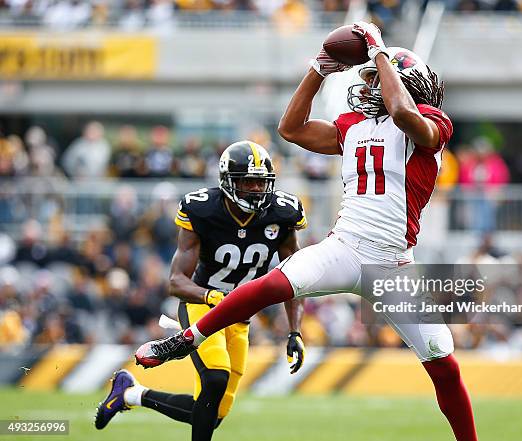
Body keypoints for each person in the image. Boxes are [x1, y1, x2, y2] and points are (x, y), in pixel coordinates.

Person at [135, 23, 478, 441]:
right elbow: (291, 128)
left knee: (442, 360)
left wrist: (379, 51)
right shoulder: (353, 125)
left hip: (393, 265)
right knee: (273, 285)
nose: (367, 85)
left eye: (375, 78)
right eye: (366, 77)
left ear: (402, 80)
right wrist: (318, 69)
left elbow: (404, 114)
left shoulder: (431, 122)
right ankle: (186, 339)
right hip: (346, 246)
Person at [95, 141, 307, 441]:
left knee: (214, 412)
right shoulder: (204, 209)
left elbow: (295, 277)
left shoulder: (282, 214)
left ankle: (129, 394)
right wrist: (213, 297)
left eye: (262, 182)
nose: (257, 190)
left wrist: (295, 331)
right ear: (228, 182)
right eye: (248, 183)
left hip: (240, 318)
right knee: (216, 378)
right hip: (203, 305)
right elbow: (176, 281)